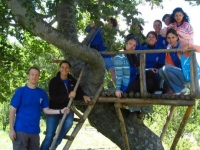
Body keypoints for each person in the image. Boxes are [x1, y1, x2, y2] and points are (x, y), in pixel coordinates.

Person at [9, 67, 69, 150]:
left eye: (36, 75)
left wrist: (60, 111)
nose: (34, 77)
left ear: (38, 77)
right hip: (20, 131)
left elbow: (46, 110)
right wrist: (11, 129)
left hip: (35, 132)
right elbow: (12, 111)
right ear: (28, 76)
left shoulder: (41, 93)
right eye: (32, 74)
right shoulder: (20, 92)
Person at [40, 60, 91, 150]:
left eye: (66, 67)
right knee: (49, 135)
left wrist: (84, 96)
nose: (64, 69)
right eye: (62, 67)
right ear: (59, 68)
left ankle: (54, 145)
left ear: (69, 69)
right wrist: (68, 96)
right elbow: (54, 98)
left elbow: (78, 91)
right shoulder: (54, 81)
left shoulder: (72, 80)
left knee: (69, 122)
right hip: (54, 109)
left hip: (67, 109)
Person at [114, 33, 158, 98]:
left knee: (151, 73)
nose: (132, 46)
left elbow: (137, 70)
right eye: (130, 44)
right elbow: (118, 75)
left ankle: (157, 90)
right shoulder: (120, 56)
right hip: (127, 86)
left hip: (134, 80)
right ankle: (155, 91)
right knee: (150, 83)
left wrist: (149, 69)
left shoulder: (132, 56)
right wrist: (117, 90)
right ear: (125, 44)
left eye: (134, 45)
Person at [159, 28, 200, 95]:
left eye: (173, 37)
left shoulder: (183, 44)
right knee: (161, 70)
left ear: (177, 37)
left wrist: (189, 46)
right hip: (179, 75)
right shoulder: (169, 50)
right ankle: (176, 90)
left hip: (188, 74)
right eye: (169, 38)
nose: (171, 40)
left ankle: (180, 89)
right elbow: (169, 70)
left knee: (166, 68)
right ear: (166, 39)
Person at [85, 17, 118, 84]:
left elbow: (111, 45)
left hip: (105, 53)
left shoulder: (111, 34)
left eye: (111, 23)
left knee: (113, 70)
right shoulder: (99, 28)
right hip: (94, 50)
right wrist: (93, 24)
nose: (109, 23)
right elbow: (87, 29)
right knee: (91, 70)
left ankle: (118, 89)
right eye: (109, 21)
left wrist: (113, 55)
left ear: (113, 26)